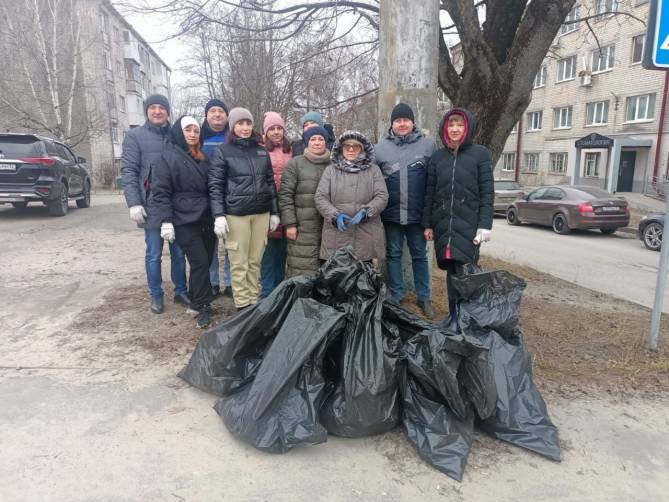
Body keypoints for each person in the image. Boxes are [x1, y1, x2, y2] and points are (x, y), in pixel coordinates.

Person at [423, 108, 494, 331]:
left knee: (465, 274)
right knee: (451, 274)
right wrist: (427, 223)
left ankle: (465, 320)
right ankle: (453, 317)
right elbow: (430, 193)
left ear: (467, 128)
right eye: (451, 125)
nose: (455, 129)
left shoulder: (480, 154)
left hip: (469, 226)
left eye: (459, 125)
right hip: (445, 225)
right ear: (445, 128)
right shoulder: (438, 157)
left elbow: (487, 193)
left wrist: (484, 225)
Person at [121, 94, 189, 315]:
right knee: (154, 254)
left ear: (168, 111)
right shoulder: (135, 137)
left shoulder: (176, 135)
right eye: (153, 108)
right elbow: (129, 171)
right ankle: (156, 295)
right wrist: (134, 202)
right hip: (150, 205)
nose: (157, 111)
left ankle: (180, 291)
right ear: (147, 111)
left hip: (176, 205)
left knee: (179, 253)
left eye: (162, 107)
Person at [209, 108, 280, 311]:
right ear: (233, 126)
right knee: (239, 262)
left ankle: (252, 302)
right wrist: (219, 215)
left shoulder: (260, 151)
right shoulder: (223, 151)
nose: (245, 128)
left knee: (255, 261)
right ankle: (242, 305)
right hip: (236, 215)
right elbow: (215, 185)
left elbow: (269, 182)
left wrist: (274, 212)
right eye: (240, 124)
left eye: (248, 123)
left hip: (260, 214)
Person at [152, 116, 216, 329]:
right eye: (188, 129)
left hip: (206, 218)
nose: (192, 134)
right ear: (180, 132)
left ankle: (197, 299)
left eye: (196, 130)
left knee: (205, 262)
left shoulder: (202, 157)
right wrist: (166, 220)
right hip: (184, 219)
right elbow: (161, 192)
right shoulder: (167, 157)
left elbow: (212, 187)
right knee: (199, 262)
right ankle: (202, 305)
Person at [375, 103, 437, 318]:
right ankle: (396, 294)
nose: (402, 124)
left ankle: (424, 297)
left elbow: (434, 181)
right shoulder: (380, 148)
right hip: (391, 214)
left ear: (413, 122)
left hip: (417, 214)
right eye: (398, 120)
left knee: (420, 255)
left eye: (405, 120)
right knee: (393, 254)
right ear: (392, 123)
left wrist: (431, 215)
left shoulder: (428, 146)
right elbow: (373, 181)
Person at [314, 130, 388, 263]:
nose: (351, 149)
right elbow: (320, 197)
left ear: (362, 149)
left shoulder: (373, 170)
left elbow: (382, 196)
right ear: (341, 148)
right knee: (337, 278)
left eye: (356, 146)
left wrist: (367, 211)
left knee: (363, 278)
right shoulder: (330, 171)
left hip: (365, 234)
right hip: (337, 234)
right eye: (347, 146)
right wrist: (334, 215)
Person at [278, 125, 330, 277]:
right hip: (302, 227)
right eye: (313, 139)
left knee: (325, 268)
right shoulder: (295, 164)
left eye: (320, 139)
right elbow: (285, 195)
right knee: (301, 267)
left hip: (326, 227)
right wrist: (289, 224)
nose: (317, 142)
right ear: (307, 142)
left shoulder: (333, 165)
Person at [200, 98, 233, 298]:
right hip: (204, 197)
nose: (217, 114)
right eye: (212, 111)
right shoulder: (198, 135)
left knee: (230, 241)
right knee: (210, 243)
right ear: (206, 115)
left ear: (226, 115)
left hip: (230, 196)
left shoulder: (232, 136)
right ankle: (212, 281)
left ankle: (229, 282)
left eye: (220, 110)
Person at [259, 112, 292, 297]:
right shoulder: (260, 149)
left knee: (283, 252)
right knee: (268, 253)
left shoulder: (291, 149)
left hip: (287, 205)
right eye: (272, 129)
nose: (277, 132)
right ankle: (267, 292)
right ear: (266, 132)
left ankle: (280, 291)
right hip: (268, 206)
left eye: (279, 128)